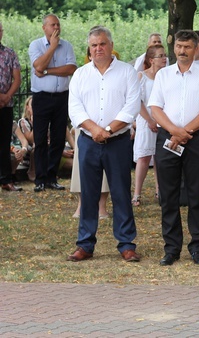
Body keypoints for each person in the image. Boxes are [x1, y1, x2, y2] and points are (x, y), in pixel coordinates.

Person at [66, 26, 141, 262]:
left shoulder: (127, 72)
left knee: (120, 192)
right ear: (89, 49)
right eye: (94, 45)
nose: (98, 48)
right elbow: (74, 108)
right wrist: (94, 129)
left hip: (117, 142)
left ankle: (127, 244)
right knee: (88, 194)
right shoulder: (80, 74)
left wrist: (107, 130)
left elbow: (132, 107)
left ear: (111, 45)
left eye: (102, 44)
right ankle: (85, 244)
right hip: (88, 141)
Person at [148, 30, 199, 266]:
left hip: (195, 139)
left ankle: (197, 246)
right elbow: (155, 108)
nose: (182, 51)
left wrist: (185, 131)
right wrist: (174, 131)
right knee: (168, 196)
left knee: (196, 193)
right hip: (168, 138)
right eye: (179, 46)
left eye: (187, 47)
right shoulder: (164, 75)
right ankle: (171, 248)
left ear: (195, 49)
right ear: (174, 48)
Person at [28, 13, 77, 192]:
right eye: (52, 25)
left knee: (58, 139)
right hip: (41, 98)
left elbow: (71, 68)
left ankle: (51, 177)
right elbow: (38, 66)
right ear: (44, 28)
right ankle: (39, 179)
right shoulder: (36, 45)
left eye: (58, 25)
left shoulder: (68, 46)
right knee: (40, 139)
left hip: (61, 97)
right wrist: (52, 47)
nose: (56, 28)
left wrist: (48, 72)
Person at [132, 45, 168, 206]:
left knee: (161, 157)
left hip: (163, 120)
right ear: (151, 60)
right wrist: (149, 120)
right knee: (144, 157)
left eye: (165, 55)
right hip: (145, 119)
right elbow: (137, 101)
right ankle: (137, 193)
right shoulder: (142, 76)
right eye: (160, 56)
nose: (164, 58)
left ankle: (160, 190)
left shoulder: (166, 77)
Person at [0, 21, 22, 192]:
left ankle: (6, 180)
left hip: (6, 105)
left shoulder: (10, 53)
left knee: (4, 142)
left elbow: (17, 79)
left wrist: (6, 97)